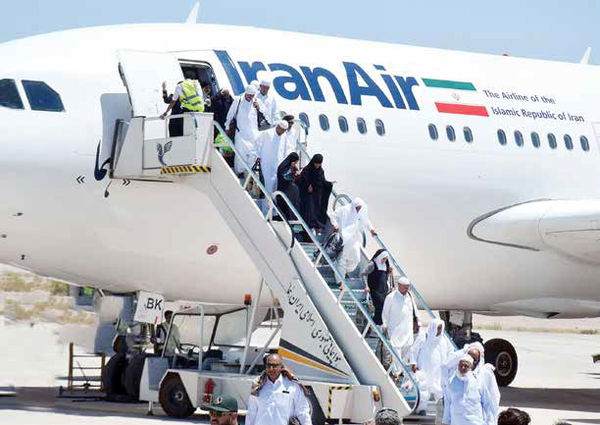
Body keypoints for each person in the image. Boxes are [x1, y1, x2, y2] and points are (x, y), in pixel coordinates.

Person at [246, 353, 312, 425]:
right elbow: (251, 412)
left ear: (281, 367)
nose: (271, 369)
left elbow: (302, 410)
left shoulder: (292, 385)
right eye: (269, 365)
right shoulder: (258, 386)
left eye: (274, 366)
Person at [330, 198, 377, 286]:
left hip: (355, 239)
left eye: (360, 208)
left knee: (356, 259)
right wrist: (335, 225)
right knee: (343, 259)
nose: (358, 209)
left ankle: (342, 270)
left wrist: (372, 230)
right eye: (357, 207)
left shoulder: (360, 213)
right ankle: (340, 281)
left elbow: (367, 221)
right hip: (344, 237)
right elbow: (333, 215)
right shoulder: (344, 209)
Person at [409, 319, 454, 402]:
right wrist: (413, 363)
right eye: (438, 328)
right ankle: (423, 402)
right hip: (425, 365)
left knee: (437, 383)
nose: (439, 330)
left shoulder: (444, 338)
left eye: (441, 328)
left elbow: (451, 350)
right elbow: (413, 350)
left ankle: (437, 399)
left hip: (439, 367)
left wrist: (449, 363)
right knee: (425, 383)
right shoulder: (424, 336)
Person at [442, 356, 495, 425]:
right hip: (456, 422)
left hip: (475, 422)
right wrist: (445, 422)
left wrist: (490, 422)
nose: (463, 368)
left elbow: (487, 404)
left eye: (466, 366)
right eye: (461, 365)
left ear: (471, 368)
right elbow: (448, 404)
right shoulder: (451, 383)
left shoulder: (479, 382)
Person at [381, 277, 419, 370]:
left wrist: (417, 322)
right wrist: (385, 325)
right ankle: (396, 372)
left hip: (407, 329)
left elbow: (414, 309)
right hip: (395, 330)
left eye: (408, 287)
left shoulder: (409, 295)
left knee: (407, 350)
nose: (407, 289)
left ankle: (403, 372)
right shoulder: (390, 297)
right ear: (399, 286)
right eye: (405, 287)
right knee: (396, 351)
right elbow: (385, 313)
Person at [225, 85, 260, 175]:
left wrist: (258, 107)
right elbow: (230, 114)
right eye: (249, 95)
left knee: (253, 154)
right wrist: (227, 127)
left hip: (253, 134)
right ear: (246, 93)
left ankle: (250, 173)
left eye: (252, 95)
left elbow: (265, 114)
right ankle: (239, 172)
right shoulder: (238, 100)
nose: (250, 97)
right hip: (241, 133)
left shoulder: (255, 101)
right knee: (240, 154)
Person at [297, 154, 333, 232]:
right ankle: (309, 226)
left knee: (317, 209)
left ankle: (316, 225)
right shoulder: (307, 170)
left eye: (319, 163)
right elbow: (301, 181)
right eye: (316, 163)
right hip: (308, 195)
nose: (317, 165)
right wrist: (308, 185)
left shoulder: (321, 171)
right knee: (309, 210)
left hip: (317, 195)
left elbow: (322, 181)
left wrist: (329, 184)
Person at [467, 342, 501, 422]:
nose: (471, 362)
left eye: (474, 359)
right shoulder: (460, 374)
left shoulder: (485, 374)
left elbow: (491, 400)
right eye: (469, 358)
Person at [256, 120, 289, 196]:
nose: (282, 132)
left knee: (275, 184)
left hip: (278, 164)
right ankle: (266, 202)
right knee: (267, 183)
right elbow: (258, 144)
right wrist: (257, 156)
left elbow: (285, 150)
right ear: (278, 127)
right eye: (281, 129)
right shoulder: (267, 133)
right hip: (266, 163)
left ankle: (272, 201)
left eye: (284, 130)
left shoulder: (284, 137)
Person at [360, 249, 391, 325]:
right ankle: (375, 324)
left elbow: (384, 277)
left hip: (384, 290)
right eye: (383, 258)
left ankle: (377, 325)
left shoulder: (386, 265)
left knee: (384, 308)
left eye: (386, 259)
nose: (384, 260)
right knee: (380, 307)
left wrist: (389, 272)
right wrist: (366, 286)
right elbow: (363, 274)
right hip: (375, 290)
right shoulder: (373, 264)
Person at [276, 152, 301, 219]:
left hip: (290, 190)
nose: (295, 164)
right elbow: (285, 176)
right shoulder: (283, 166)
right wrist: (292, 173)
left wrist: (297, 174)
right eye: (295, 162)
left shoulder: (293, 166)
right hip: (284, 189)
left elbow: (295, 175)